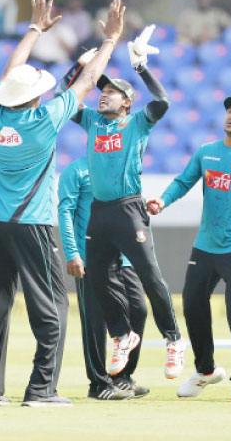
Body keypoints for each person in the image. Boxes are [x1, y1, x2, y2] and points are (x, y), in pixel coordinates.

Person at [0, 0, 125, 408]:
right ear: (36, 97)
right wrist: (111, 41)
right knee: (53, 307)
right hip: (32, 224)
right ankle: (41, 390)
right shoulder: (43, 120)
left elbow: (10, 73)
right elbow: (87, 82)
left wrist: (34, 31)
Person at [63, 25, 184, 381]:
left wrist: (141, 68)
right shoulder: (91, 123)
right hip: (99, 213)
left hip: (129, 209)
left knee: (149, 277)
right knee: (97, 276)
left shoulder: (136, 125)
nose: (104, 96)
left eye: (113, 93)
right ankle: (122, 335)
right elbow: (63, 95)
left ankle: (174, 340)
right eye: (103, 91)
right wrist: (80, 66)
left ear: (127, 102)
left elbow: (162, 102)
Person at [148, 96, 231, 402]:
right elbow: (183, 181)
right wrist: (163, 201)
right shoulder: (207, 152)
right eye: (229, 111)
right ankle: (205, 369)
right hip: (206, 245)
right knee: (192, 304)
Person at [58, 152, 148, 401]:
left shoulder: (122, 168)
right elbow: (65, 211)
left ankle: (123, 377)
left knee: (138, 309)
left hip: (124, 256)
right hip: (90, 257)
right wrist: (72, 252)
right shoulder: (75, 170)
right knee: (95, 321)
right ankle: (98, 383)